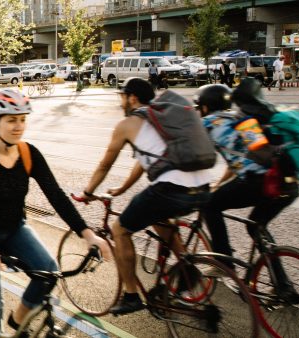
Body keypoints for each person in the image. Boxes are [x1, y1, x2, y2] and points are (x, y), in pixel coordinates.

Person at [0, 89, 110, 337]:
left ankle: (17, 321)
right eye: (11, 120)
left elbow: (56, 196)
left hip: (13, 229)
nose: (19, 126)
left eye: (23, 119)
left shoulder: (28, 154)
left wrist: (87, 234)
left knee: (48, 271)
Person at [80, 78, 214, 315]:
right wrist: (121, 189)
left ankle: (131, 295)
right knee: (159, 217)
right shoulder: (163, 119)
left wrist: (88, 192)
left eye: (122, 96)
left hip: (172, 189)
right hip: (202, 188)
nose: (121, 101)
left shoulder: (128, 124)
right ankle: (185, 266)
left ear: (132, 97)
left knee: (120, 230)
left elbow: (104, 165)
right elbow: (145, 162)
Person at [196, 82, 298, 272]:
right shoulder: (239, 118)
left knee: (209, 205)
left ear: (204, 107)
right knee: (256, 226)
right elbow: (243, 157)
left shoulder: (207, 123)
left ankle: (224, 263)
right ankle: (283, 286)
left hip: (261, 183)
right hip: (286, 179)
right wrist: (220, 183)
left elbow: (199, 158)